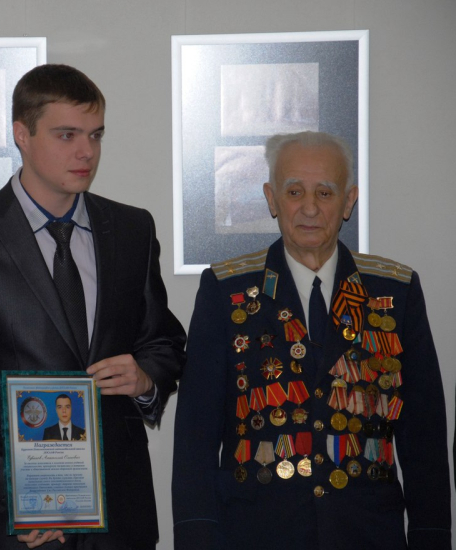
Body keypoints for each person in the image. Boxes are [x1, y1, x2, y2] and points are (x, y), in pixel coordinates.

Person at [0, 64, 186, 550]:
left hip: (119, 519)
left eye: (95, 135)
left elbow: (162, 340)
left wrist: (146, 379)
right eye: (67, 135)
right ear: (22, 134)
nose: (87, 152)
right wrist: (12, 493)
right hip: (12, 523)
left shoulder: (132, 229)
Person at [172, 131, 451, 549]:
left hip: (368, 535)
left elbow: (424, 438)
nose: (309, 207)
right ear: (272, 199)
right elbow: (196, 437)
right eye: (294, 192)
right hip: (258, 535)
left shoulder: (395, 293)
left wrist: (432, 537)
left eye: (324, 192)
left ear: (348, 201)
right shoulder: (226, 291)